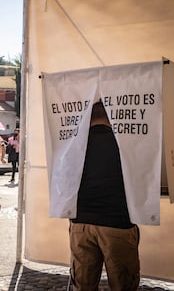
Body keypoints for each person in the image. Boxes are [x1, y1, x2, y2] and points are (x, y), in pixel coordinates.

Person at [69, 101, 140, 291]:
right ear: (112, 117)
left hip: (81, 222)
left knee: (83, 285)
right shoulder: (127, 144)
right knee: (123, 285)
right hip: (117, 221)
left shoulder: (73, 144)